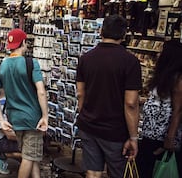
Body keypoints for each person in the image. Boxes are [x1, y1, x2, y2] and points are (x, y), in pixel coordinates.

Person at [75, 14, 142, 178]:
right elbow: (131, 103)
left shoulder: (85, 59)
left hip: (88, 125)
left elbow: (80, 94)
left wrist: (86, 114)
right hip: (115, 130)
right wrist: (133, 136)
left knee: (93, 172)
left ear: (101, 31)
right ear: (124, 34)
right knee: (117, 173)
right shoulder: (130, 62)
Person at [0, 28, 48, 178]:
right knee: (29, 157)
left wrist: (1, 119)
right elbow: (41, 91)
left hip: (14, 117)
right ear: (23, 43)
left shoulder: (0, 66)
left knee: (29, 153)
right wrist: (45, 116)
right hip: (32, 118)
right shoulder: (31, 63)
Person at [137, 40, 182, 178]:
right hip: (149, 136)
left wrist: (169, 139)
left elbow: (178, 110)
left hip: (161, 139)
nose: (158, 53)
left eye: (162, 51)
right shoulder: (163, 77)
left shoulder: (178, 79)